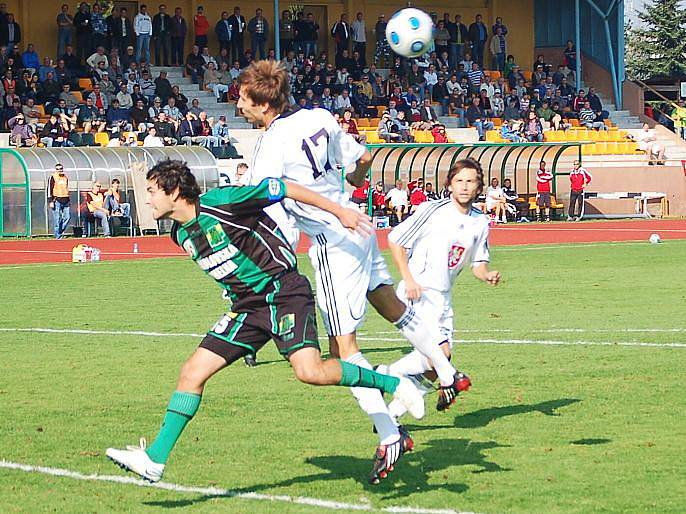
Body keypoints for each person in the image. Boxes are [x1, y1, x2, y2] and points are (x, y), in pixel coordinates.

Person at [105, 159, 423, 483]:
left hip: (283, 292)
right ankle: (155, 460)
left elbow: (284, 188)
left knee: (310, 372)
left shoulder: (224, 202)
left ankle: (396, 384)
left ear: (174, 192)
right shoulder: (179, 233)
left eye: (151, 191)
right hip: (247, 308)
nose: (147, 199)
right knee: (191, 373)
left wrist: (339, 211)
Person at [239, 61, 466, 483]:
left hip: (332, 241)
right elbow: (362, 159)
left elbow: (269, 202)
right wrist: (349, 191)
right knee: (389, 301)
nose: (238, 104)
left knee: (343, 351)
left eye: (242, 98)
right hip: (359, 224)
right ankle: (446, 369)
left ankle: (389, 431)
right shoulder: (318, 116)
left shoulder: (269, 145)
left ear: (261, 103)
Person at [382, 159, 499, 425]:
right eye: (459, 181)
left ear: (479, 185)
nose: (465, 187)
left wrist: (487, 275)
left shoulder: (480, 222)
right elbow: (395, 240)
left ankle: (391, 414)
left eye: (470, 181)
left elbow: (478, 264)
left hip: (443, 299)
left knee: (436, 365)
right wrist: (408, 279)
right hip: (419, 293)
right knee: (441, 356)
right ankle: (385, 376)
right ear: (449, 185)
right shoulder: (432, 210)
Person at [48, 163, 71, 239]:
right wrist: (50, 201)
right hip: (57, 199)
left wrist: (68, 199)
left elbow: (66, 188)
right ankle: (57, 235)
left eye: (60, 168)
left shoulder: (65, 177)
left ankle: (60, 231)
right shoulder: (53, 177)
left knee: (67, 217)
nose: (59, 170)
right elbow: (49, 189)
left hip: (66, 199)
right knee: (57, 218)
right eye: (57, 169)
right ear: (55, 170)